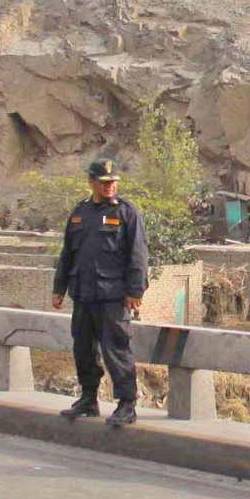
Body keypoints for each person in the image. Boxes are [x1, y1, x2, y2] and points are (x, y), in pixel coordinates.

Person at [52, 157, 149, 427]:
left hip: (113, 296)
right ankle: (88, 398)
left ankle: (127, 404)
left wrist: (135, 289)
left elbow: (139, 255)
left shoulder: (127, 213)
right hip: (83, 293)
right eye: (104, 182)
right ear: (91, 182)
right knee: (83, 349)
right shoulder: (80, 212)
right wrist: (59, 288)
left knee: (116, 349)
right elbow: (67, 254)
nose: (110, 187)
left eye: (114, 182)